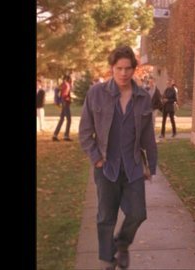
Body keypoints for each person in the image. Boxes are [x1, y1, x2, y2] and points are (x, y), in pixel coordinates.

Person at [79, 45, 158, 270]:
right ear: (111, 69)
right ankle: (108, 259)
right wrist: (97, 159)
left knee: (138, 213)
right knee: (106, 216)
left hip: (132, 166)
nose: (123, 73)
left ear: (134, 69)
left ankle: (122, 244)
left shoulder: (142, 97)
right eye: (119, 68)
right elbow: (85, 132)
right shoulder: (96, 94)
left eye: (128, 69)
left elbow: (148, 136)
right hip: (106, 166)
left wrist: (150, 166)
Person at [52, 75, 73, 141]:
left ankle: (55, 135)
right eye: (71, 79)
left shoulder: (63, 84)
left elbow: (59, 92)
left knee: (62, 119)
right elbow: (64, 95)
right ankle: (66, 136)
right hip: (65, 103)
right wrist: (69, 99)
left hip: (63, 103)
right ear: (68, 79)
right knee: (69, 119)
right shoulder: (67, 85)